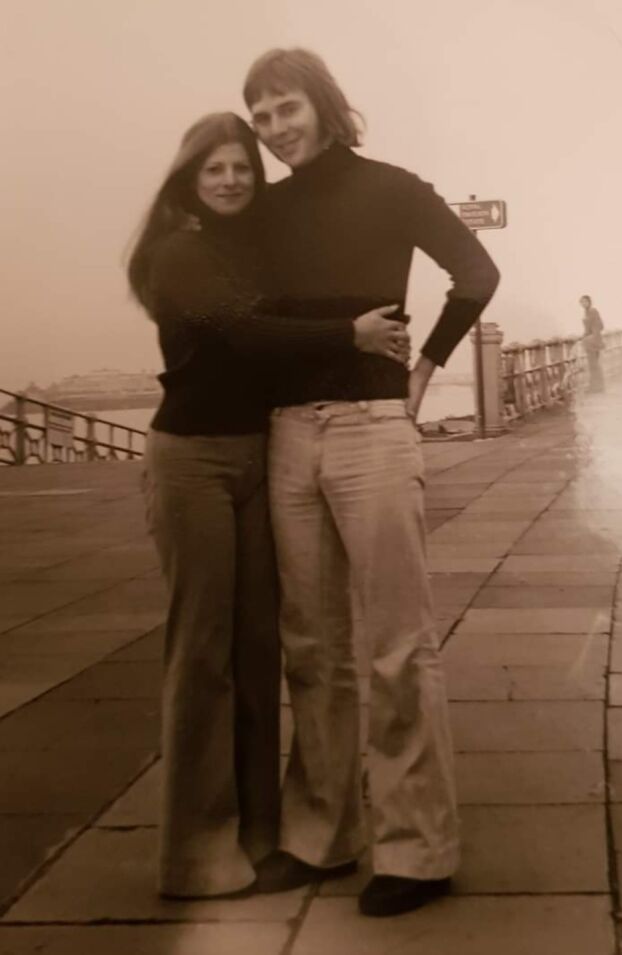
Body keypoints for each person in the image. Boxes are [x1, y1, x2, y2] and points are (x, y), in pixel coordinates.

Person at [243, 48, 500, 917]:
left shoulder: (393, 189)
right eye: (261, 116)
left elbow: (477, 274)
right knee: (312, 646)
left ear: (323, 104)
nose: (275, 128)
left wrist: (424, 368)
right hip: (288, 433)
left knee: (397, 642)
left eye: (286, 108)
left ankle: (417, 848)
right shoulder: (265, 211)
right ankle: (322, 835)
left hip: (372, 433)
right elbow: (255, 319)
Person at [127, 112, 410, 899]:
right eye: (214, 168)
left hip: (259, 452)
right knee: (202, 652)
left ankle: (257, 832)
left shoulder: (251, 246)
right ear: (189, 178)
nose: (230, 180)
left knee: (258, 652)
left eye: (242, 168)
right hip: (193, 460)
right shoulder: (178, 252)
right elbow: (244, 332)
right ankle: (194, 852)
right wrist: (350, 334)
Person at [579, 295, 605, 392]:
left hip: (593, 340)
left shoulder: (593, 311)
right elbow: (587, 328)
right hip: (590, 340)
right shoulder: (586, 312)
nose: (583, 303)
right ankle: (597, 386)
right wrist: (585, 335)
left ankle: (596, 387)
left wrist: (592, 336)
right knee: (593, 364)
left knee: (594, 364)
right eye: (582, 302)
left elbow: (600, 326)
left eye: (585, 301)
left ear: (589, 302)